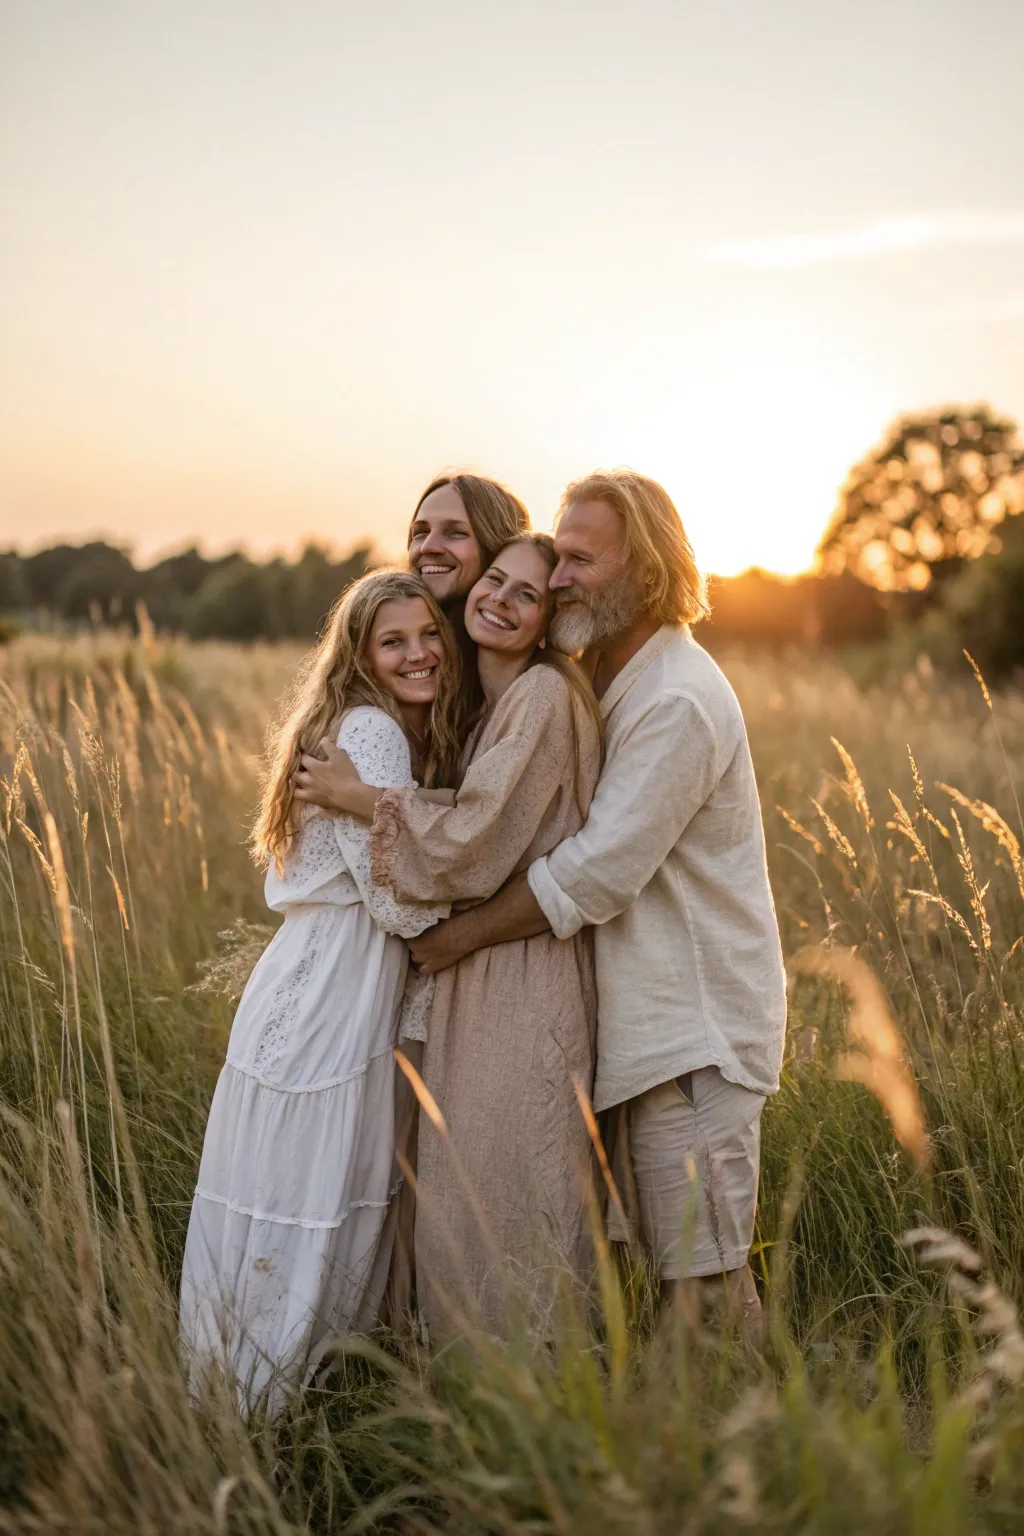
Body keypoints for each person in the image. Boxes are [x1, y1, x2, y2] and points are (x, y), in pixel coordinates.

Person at [403, 471, 787, 1347]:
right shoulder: (609, 677)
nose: (559, 574)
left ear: (643, 573)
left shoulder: (677, 698)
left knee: (709, 1290)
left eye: (580, 558)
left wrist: (456, 939)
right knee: (676, 1285)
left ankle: (750, 1471)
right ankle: (691, 1461)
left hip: (693, 1037)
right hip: (639, 1041)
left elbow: (594, 873)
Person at [295, 534, 603, 1341]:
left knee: (508, 1185)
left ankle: (526, 1398)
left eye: (526, 595)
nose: (499, 598)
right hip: (481, 978)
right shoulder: (486, 706)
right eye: (494, 579)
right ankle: (445, 1383)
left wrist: (363, 801)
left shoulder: (541, 695)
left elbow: (477, 837)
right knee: (464, 1189)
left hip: (525, 981)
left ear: (549, 622)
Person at [179, 570, 459, 1418]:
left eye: (428, 636)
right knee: (306, 1203)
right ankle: (267, 1415)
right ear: (362, 655)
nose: (418, 654)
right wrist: (487, 866)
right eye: (394, 641)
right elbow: (396, 898)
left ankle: (236, 1406)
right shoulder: (372, 736)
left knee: (278, 1201)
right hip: (329, 1000)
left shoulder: (354, 724)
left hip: (307, 985)